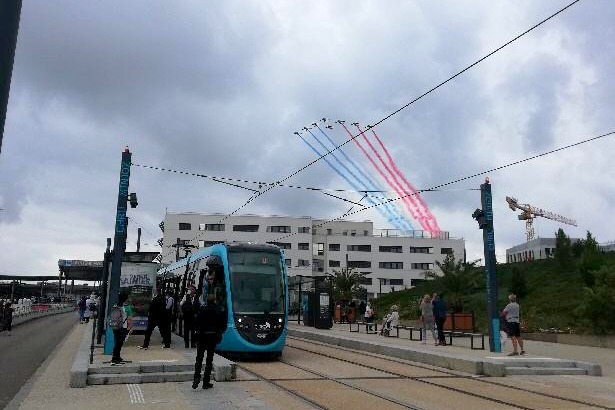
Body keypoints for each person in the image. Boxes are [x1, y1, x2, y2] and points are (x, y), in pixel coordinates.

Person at [192, 294, 226, 389]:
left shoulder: (203, 310)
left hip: (202, 337)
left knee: (199, 359)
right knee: (209, 360)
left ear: (207, 300)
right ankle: (206, 382)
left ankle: (196, 378)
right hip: (212, 337)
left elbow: (196, 321)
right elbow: (222, 325)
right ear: (214, 300)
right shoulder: (218, 310)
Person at [111, 292, 132, 364]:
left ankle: (117, 357)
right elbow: (129, 319)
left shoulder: (115, 305)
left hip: (115, 326)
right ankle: (115, 358)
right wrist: (129, 328)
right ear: (125, 299)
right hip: (123, 327)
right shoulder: (126, 307)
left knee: (117, 342)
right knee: (119, 343)